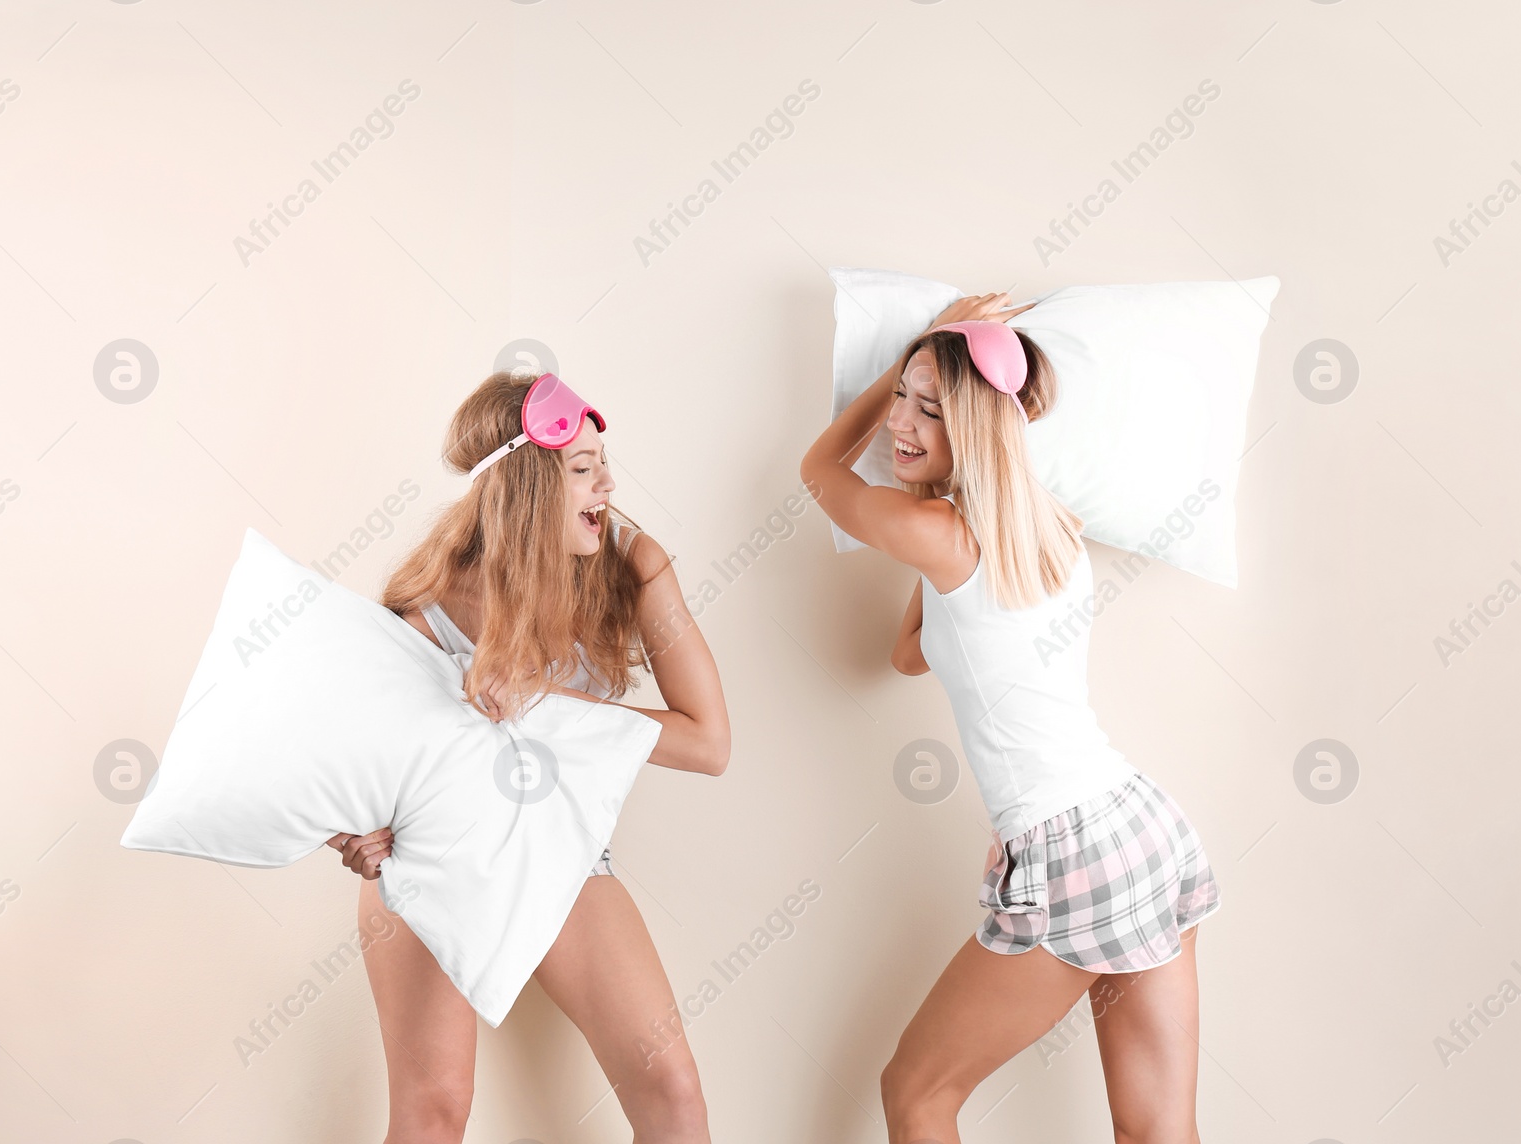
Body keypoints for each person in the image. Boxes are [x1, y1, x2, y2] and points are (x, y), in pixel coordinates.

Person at [801, 292, 1221, 1143]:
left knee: (914, 1095)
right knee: (1157, 1131)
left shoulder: (938, 533)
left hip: (1065, 847)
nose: (901, 424)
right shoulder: (1052, 528)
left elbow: (818, 473)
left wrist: (910, 350)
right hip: (1139, 823)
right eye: (901, 400)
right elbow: (911, 654)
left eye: (931, 407)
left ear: (978, 425)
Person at [331, 370, 731, 1144]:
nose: (608, 483)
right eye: (582, 468)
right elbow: (355, 770)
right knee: (433, 1111)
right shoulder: (425, 605)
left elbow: (708, 742)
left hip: (566, 849)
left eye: (602, 460)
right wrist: (350, 835)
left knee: (671, 1090)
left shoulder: (633, 564)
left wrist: (545, 700)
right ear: (523, 486)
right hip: (430, 856)